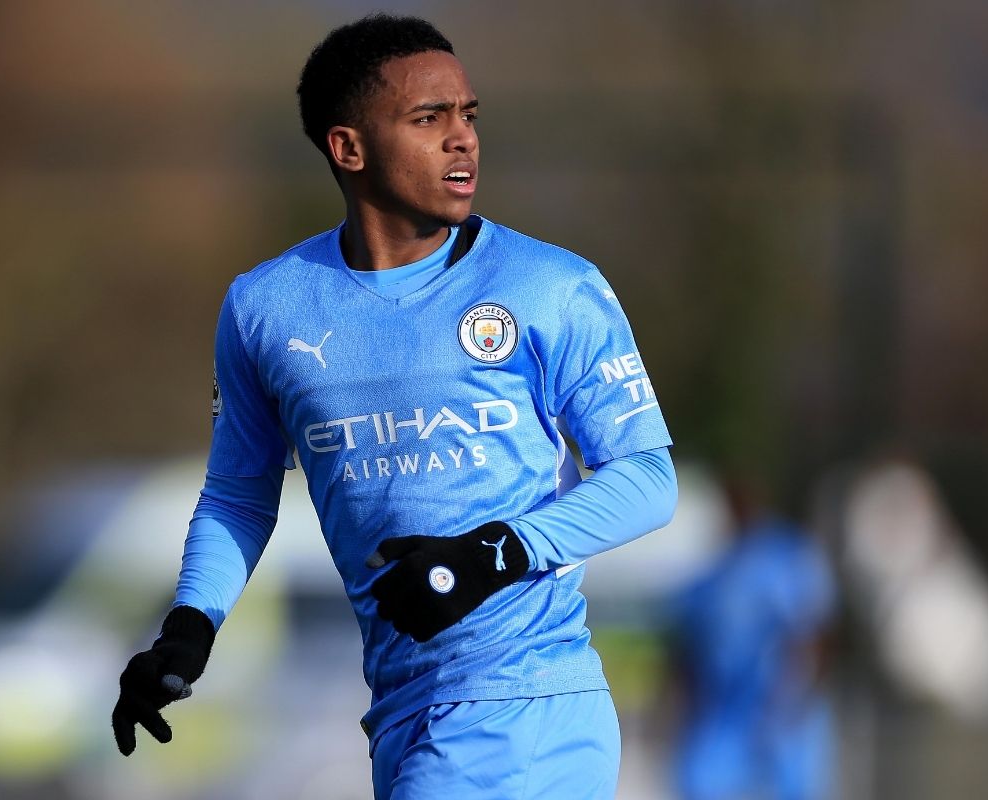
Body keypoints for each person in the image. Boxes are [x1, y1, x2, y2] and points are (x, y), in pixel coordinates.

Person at [110, 13, 677, 799]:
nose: (463, 139)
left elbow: (647, 478)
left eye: (469, 116)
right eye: (429, 118)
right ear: (349, 148)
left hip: (525, 706)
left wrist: (491, 555)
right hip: (404, 710)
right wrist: (189, 628)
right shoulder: (266, 308)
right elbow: (240, 494)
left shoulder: (550, 287)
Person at [667, 479, 836, 800]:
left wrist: (796, 699)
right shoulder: (712, 572)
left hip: (782, 709)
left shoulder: (786, 557)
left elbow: (816, 633)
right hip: (723, 713)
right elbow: (685, 648)